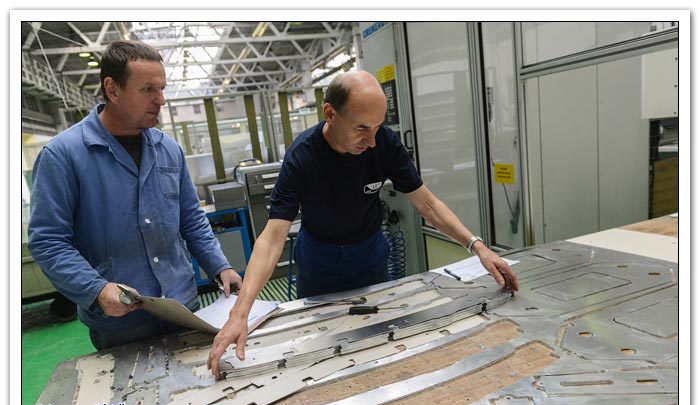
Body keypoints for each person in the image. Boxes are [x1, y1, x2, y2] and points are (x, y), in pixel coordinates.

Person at [206, 70, 519, 379]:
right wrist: (240, 314)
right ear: (330, 114)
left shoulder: (383, 143)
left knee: (377, 336)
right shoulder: (302, 156)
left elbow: (428, 204)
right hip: (318, 259)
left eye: (378, 127)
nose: (371, 141)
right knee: (319, 342)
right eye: (361, 129)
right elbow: (272, 238)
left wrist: (477, 246)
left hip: (368, 254)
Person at [28, 40, 242, 350]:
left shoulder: (169, 149)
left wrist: (220, 266)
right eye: (148, 90)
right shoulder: (63, 156)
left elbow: (191, 219)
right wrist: (97, 289)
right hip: (121, 322)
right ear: (112, 89)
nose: (161, 100)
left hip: (183, 307)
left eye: (162, 89)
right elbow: (48, 241)